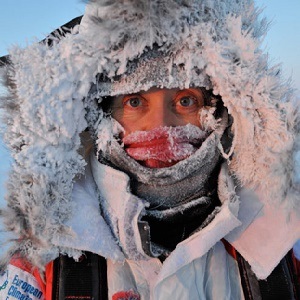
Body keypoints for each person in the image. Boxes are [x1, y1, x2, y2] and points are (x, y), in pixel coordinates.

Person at [0, 0, 300, 299]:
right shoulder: (42, 260)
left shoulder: (285, 242)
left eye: (185, 101)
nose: (160, 126)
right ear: (100, 118)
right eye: (134, 102)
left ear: (222, 112)